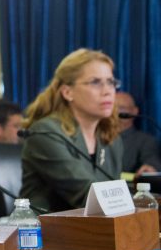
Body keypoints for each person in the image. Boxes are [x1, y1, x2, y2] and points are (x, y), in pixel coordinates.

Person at [20, 48, 123, 212]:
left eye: (111, 82)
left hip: (97, 224)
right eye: (95, 82)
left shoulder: (110, 137)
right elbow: (87, 195)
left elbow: (115, 193)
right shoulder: (46, 132)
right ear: (68, 92)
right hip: (47, 226)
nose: (107, 91)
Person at [115, 91, 161, 175]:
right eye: (112, 108)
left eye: (121, 108)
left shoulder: (145, 140)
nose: (115, 112)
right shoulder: (96, 137)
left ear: (134, 111)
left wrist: (149, 168)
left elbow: (151, 160)